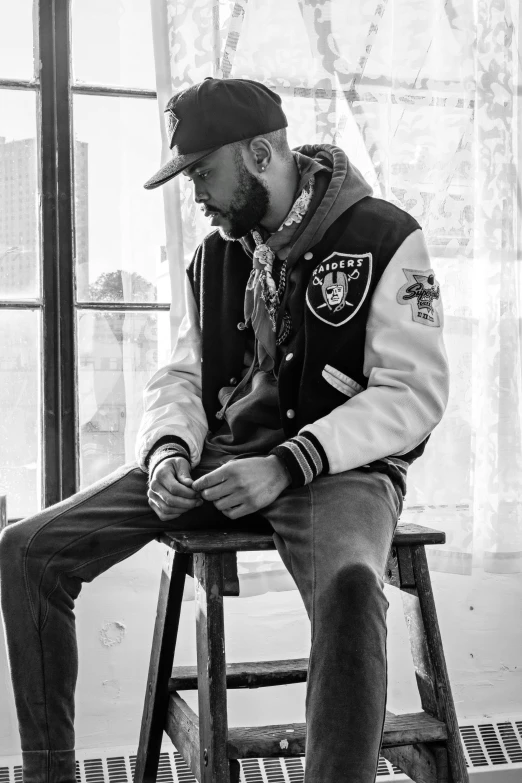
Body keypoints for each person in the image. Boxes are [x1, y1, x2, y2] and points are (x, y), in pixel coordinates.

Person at [0, 77, 449, 783]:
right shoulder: (217, 253)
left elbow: (413, 393)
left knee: (353, 588)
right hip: (220, 459)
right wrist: (167, 451)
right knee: (26, 550)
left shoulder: (386, 236)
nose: (197, 193)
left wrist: (294, 460)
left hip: (337, 470)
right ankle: (48, 774)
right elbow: (182, 374)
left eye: (204, 172)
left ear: (264, 152)